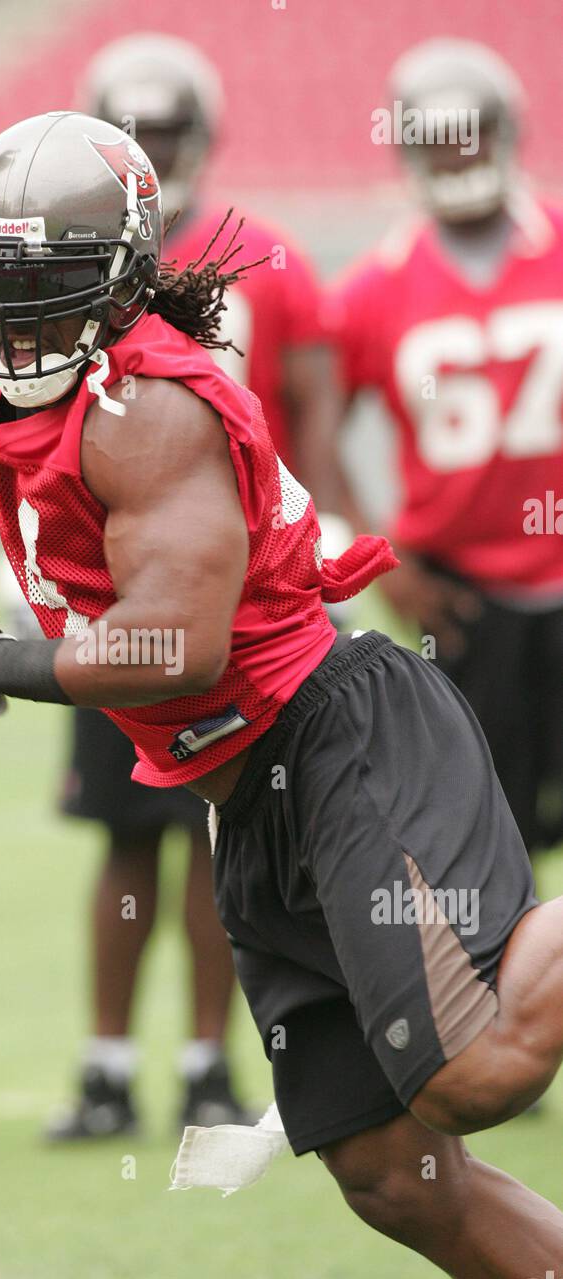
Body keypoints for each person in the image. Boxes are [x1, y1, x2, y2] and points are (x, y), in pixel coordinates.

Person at [0, 21, 563, 1279]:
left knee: (474, 1073)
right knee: (388, 1173)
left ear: (123, 281)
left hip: (335, 738)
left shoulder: (157, 411)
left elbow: (169, 645)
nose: (13, 317)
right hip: (246, 789)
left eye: (47, 280)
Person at [47, 33, 337, 1138]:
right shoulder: (63, 250)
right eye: (128, 132)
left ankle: (211, 1063)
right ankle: (109, 1065)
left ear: (199, 140)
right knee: (126, 835)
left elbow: (303, 429)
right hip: (108, 580)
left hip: (239, 589)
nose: (146, 153)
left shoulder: (264, 255)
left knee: (230, 836)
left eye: (162, 135)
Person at [327, 38, 563, 857]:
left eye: (471, 133)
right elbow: (319, 431)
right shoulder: (374, 287)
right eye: (440, 137)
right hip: (464, 599)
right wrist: (380, 558)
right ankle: (510, 993)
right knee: (481, 844)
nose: (459, 153)